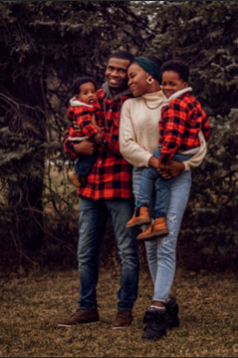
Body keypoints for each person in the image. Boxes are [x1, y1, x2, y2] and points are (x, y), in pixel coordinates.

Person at [119, 57, 209, 340]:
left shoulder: (178, 99)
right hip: (145, 174)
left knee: (166, 240)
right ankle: (167, 301)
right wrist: (155, 163)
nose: (128, 80)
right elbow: (127, 145)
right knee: (152, 244)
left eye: (134, 75)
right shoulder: (129, 106)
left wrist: (182, 166)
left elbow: (200, 141)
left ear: (151, 76)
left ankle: (157, 310)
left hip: (176, 175)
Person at [59, 51, 140, 330]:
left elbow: (124, 144)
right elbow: (71, 131)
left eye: (122, 70)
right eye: (111, 68)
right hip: (91, 188)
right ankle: (87, 308)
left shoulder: (134, 101)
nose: (114, 74)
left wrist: (99, 137)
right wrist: (74, 146)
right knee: (85, 252)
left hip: (120, 188)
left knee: (127, 252)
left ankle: (124, 310)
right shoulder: (94, 96)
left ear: (130, 74)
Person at [126, 60, 210, 241]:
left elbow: (172, 138)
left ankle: (141, 209)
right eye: (165, 83)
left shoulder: (173, 104)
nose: (167, 87)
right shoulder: (191, 102)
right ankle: (159, 220)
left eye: (172, 84)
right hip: (181, 153)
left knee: (150, 175)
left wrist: (164, 162)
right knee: (162, 183)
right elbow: (205, 127)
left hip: (173, 157)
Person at [66, 77, 102, 187]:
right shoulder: (84, 108)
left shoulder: (85, 106)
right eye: (86, 93)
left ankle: (77, 173)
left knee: (86, 158)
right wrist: (96, 133)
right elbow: (84, 124)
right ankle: (76, 173)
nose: (91, 95)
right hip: (82, 138)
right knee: (89, 158)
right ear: (78, 97)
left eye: (92, 92)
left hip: (81, 138)